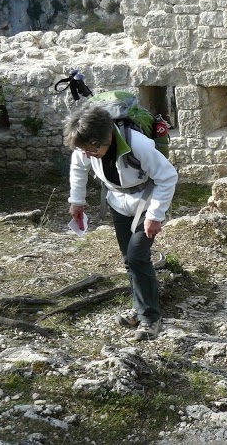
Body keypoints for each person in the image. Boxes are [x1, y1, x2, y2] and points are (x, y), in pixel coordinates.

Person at [64, 105, 178, 341]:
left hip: (145, 204)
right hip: (117, 202)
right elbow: (78, 167)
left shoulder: (139, 144)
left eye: (91, 150)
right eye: (83, 150)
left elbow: (167, 176)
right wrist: (77, 201)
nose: (87, 154)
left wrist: (155, 215)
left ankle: (150, 318)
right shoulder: (87, 146)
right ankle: (139, 309)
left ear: (106, 138)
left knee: (137, 256)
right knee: (129, 259)